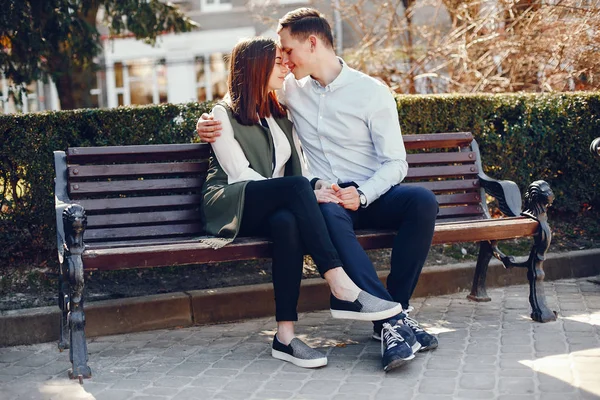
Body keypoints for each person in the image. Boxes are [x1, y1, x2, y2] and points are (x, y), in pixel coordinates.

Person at [197, 8, 439, 373]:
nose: (285, 61)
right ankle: (387, 322)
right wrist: (204, 123)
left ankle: (395, 312)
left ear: (311, 44)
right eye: (278, 57)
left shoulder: (370, 93)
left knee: (422, 201)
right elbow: (242, 95)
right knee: (320, 206)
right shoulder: (292, 90)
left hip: (364, 194)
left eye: (287, 51)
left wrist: (364, 193)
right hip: (325, 203)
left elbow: (396, 163)